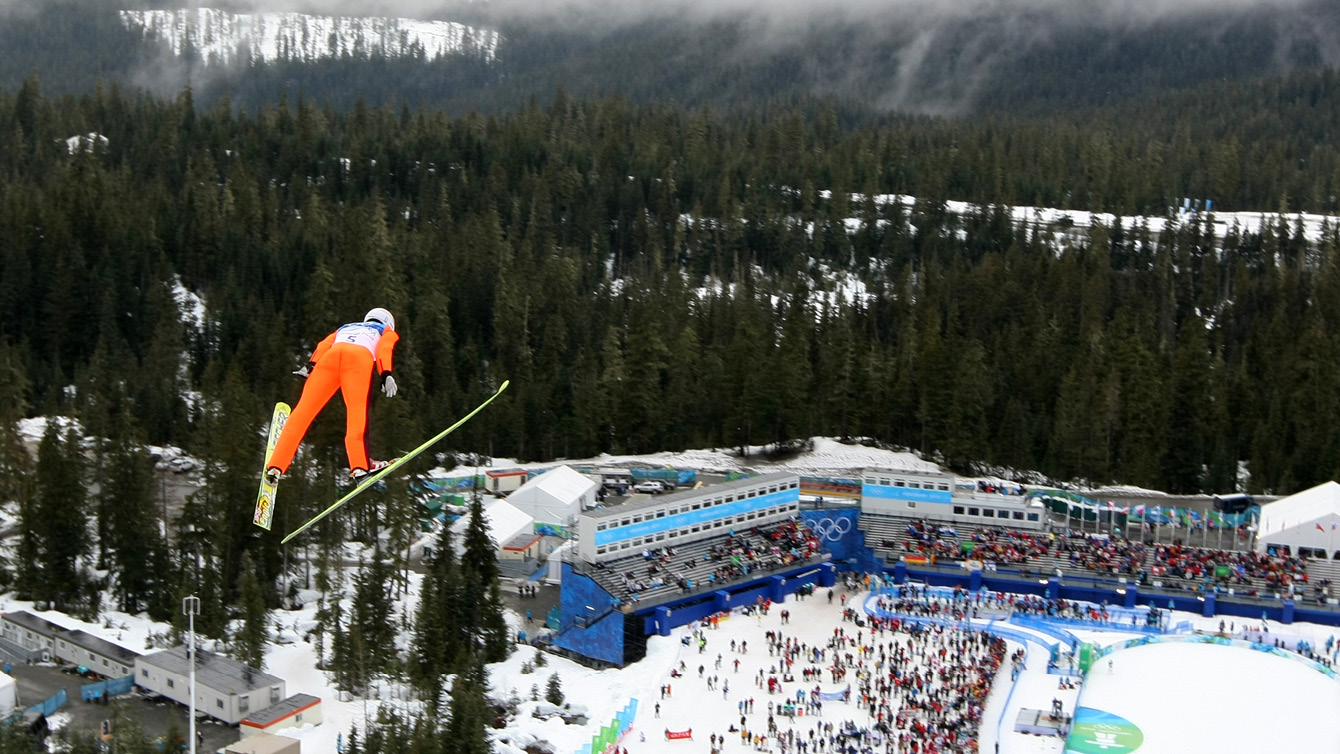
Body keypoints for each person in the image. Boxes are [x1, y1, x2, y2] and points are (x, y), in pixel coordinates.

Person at [265, 308, 400, 482]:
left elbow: (324, 345)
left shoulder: (346, 327)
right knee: (357, 412)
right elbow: (385, 348)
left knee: (302, 412)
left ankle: (276, 465)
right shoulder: (385, 330)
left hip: (330, 358)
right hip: (358, 358)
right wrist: (386, 374)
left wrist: (310, 365)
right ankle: (359, 466)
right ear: (389, 323)